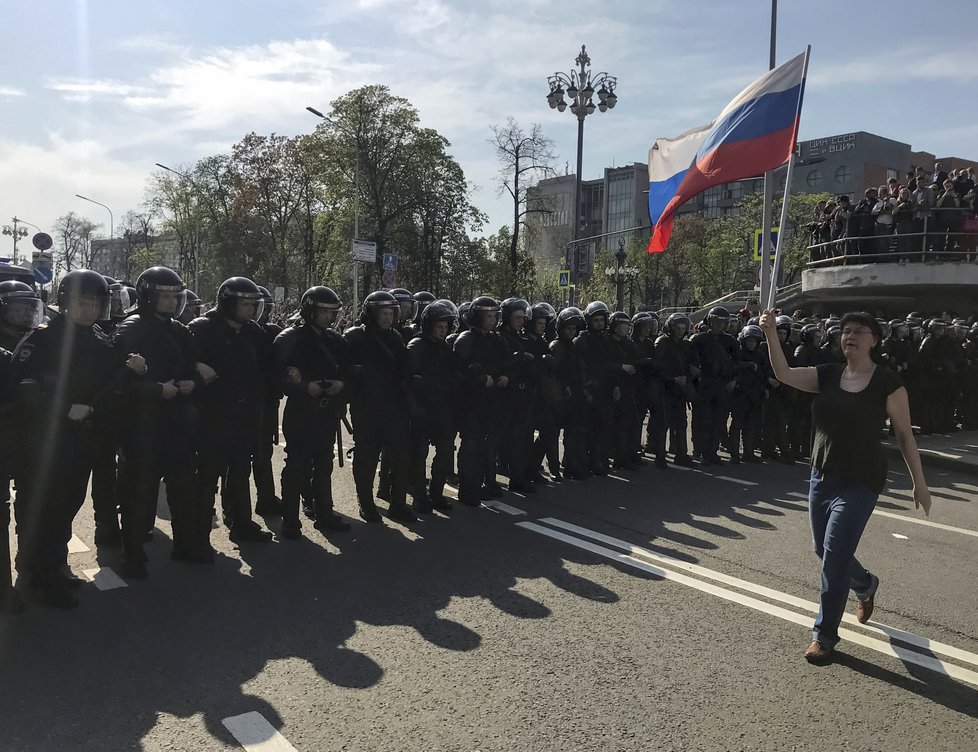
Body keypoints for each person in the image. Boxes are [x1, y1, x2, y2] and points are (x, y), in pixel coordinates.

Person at [759, 309, 931, 664]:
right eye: (845, 330)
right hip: (821, 477)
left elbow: (904, 435)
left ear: (874, 339)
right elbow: (785, 374)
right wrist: (771, 335)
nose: (849, 335)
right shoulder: (827, 374)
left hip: (861, 481)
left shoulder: (888, 383)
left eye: (859, 330)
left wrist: (920, 483)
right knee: (823, 550)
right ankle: (866, 584)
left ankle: (823, 637)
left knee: (834, 559)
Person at [10, 270, 136, 607]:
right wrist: (64, 408)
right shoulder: (42, 339)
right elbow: (21, 390)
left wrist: (132, 367)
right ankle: (44, 576)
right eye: (83, 303)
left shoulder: (96, 339)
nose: (90, 310)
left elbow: (110, 385)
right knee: (44, 509)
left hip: (81, 443)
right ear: (65, 303)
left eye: (96, 303)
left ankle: (52, 565)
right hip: (43, 442)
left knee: (67, 506)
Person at [113, 267, 204, 578]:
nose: (170, 302)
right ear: (149, 296)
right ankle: (133, 556)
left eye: (174, 296)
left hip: (176, 422)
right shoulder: (131, 328)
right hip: (142, 424)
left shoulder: (180, 330)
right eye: (164, 296)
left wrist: (192, 383)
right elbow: (117, 382)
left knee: (182, 485)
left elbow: (195, 366)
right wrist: (155, 390)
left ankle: (185, 545)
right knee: (139, 491)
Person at [190, 277, 274, 544]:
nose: (251, 310)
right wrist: (195, 366)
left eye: (253, 304)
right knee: (207, 475)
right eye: (246, 304)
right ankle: (198, 534)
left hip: (245, 413)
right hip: (212, 414)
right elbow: (178, 359)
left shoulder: (253, 332)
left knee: (240, 470)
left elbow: (267, 366)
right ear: (228, 303)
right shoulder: (201, 329)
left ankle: (241, 523)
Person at [273, 286, 353, 537]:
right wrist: (304, 386)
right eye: (324, 312)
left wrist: (341, 386)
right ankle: (290, 520)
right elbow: (274, 374)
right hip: (301, 412)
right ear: (310, 311)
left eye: (332, 312)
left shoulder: (336, 340)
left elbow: (349, 373)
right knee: (296, 465)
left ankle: (324, 514)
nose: (330, 317)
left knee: (323, 465)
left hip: (327, 413)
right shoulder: (289, 338)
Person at [344, 291, 416, 523]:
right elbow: (344, 370)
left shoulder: (395, 337)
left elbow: (405, 368)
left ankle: (398, 504)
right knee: (366, 456)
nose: (387, 318)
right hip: (366, 407)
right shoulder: (355, 337)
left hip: (393, 406)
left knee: (401, 455)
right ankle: (366, 503)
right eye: (383, 313)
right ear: (371, 314)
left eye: (390, 313)